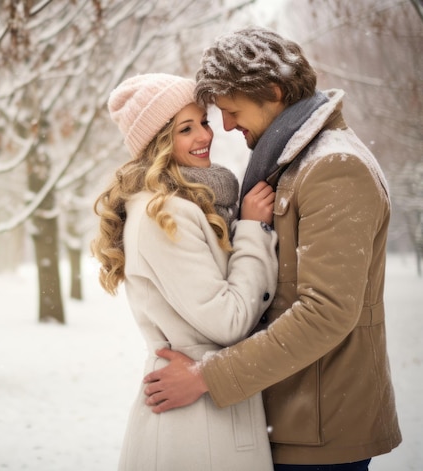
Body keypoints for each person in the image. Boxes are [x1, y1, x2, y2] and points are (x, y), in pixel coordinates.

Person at [142, 27, 402, 471]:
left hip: (321, 428)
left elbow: (326, 313)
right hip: (294, 416)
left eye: (231, 111)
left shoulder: (334, 168)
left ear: (274, 92)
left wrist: (206, 377)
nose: (225, 126)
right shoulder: (292, 161)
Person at [91, 72, 278, 471]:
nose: (204, 137)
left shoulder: (194, 203)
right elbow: (228, 321)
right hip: (195, 424)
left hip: (206, 407)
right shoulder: (165, 214)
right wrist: (252, 230)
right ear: (157, 143)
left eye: (204, 122)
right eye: (185, 129)